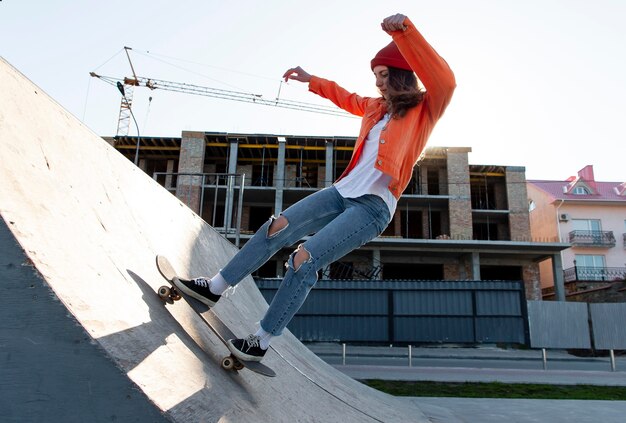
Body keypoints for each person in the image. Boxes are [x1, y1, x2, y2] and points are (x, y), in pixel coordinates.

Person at [173, 13, 456, 362]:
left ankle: (260, 341)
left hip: (373, 208)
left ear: (400, 74)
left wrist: (404, 33)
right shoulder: (373, 108)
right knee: (277, 226)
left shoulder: (425, 109)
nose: (379, 84)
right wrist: (311, 79)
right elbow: (344, 96)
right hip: (341, 192)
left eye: (384, 76)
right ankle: (215, 287)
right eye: (376, 77)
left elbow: (446, 81)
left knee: (303, 259)